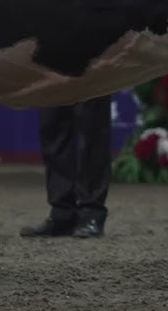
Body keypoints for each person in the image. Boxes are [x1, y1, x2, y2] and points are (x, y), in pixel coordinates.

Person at [20, 95, 113, 239]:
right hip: (52, 75)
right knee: (52, 125)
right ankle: (62, 214)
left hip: (93, 73)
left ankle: (91, 213)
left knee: (92, 127)